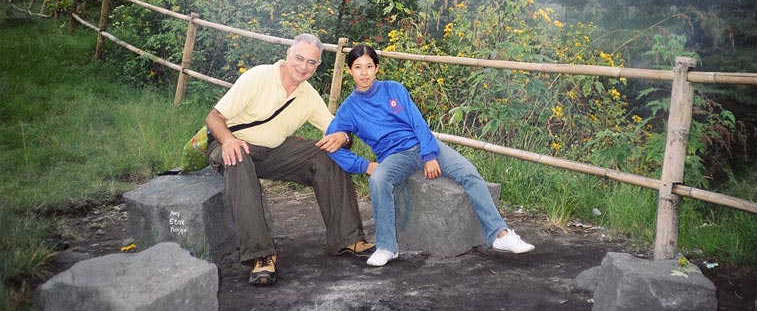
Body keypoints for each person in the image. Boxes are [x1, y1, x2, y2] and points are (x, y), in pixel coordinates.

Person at [318, 44, 535, 267]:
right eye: (358, 67)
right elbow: (328, 143)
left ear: (377, 69)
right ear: (349, 71)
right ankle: (387, 246)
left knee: (468, 172)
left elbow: (418, 123)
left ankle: (500, 235)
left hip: (425, 144)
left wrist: (429, 154)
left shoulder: (394, 89)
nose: (364, 73)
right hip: (395, 156)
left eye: (369, 66)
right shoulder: (349, 108)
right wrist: (362, 165)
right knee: (379, 179)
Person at [205, 33, 375, 285]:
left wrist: (342, 137)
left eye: (311, 63)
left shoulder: (308, 95)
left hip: (275, 151)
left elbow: (336, 128)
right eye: (299, 58)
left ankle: (347, 238)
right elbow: (213, 118)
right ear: (288, 55)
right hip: (233, 144)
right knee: (238, 157)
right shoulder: (258, 77)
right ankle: (261, 255)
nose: (303, 66)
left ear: (317, 67)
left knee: (327, 154)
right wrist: (228, 140)